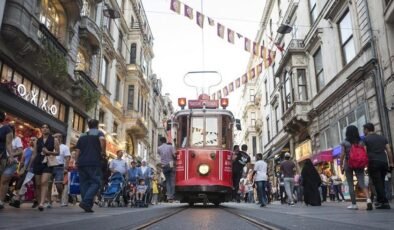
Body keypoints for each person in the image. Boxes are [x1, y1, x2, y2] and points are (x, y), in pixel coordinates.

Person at [75, 119, 106, 213]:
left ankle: (87, 205)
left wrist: (76, 161)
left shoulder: (83, 135)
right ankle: (85, 201)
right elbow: (103, 141)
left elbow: (77, 150)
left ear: (88, 126)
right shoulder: (99, 133)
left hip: (82, 162)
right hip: (94, 162)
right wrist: (103, 152)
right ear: (97, 125)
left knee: (84, 183)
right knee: (96, 182)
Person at [340, 125, 371, 210]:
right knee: (362, 182)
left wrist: (341, 166)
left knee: (350, 183)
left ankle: (354, 204)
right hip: (359, 163)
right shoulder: (361, 141)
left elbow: (342, 154)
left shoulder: (345, 142)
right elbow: (365, 152)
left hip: (348, 163)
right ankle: (368, 199)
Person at [363, 123, 394, 209]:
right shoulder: (382, 138)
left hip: (373, 162)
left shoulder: (366, 139)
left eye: (364, 130)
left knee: (377, 183)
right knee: (381, 182)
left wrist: (365, 164)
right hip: (384, 162)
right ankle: (381, 200)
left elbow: (364, 152)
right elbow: (389, 150)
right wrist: (391, 163)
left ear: (366, 129)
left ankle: (384, 202)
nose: (363, 131)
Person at [31, 124, 59, 211]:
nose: (45, 129)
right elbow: (34, 153)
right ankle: (40, 202)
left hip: (48, 162)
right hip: (38, 162)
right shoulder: (37, 141)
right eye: (43, 127)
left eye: (47, 127)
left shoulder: (54, 140)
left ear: (49, 130)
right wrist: (28, 166)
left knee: (44, 182)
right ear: (41, 130)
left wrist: (49, 152)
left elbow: (58, 152)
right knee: (38, 184)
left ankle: (42, 203)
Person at [10, 137, 37, 208]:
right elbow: (22, 161)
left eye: (34, 140)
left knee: (34, 186)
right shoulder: (26, 150)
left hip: (35, 170)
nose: (32, 141)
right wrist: (19, 170)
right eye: (31, 140)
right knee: (22, 185)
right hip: (26, 170)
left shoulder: (38, 150)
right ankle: (18, 200)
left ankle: (35, 200)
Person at [0, 111, 17, 209]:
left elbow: (9, 144)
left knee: (4, 181)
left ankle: (1, 201)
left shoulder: (6, 129)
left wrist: (11, 156)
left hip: (2, 157)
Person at [50, 133, 70, 207]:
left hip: (59, 167)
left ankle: (61, 197)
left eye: (57, 137)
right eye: (54, 137)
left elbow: (67, 158)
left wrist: (66, 168)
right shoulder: (50, 146)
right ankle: (49, 201)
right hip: (50, 166)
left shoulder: (64, 147)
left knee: (58, 184)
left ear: (61, 138)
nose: (56, 138)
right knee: (48, 184)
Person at [158, 137, 176, 202]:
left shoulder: (159, 148)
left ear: (161, 141)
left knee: (168, 181)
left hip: (164, 166)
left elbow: (160, 155)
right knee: (172, 181)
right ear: (166, 141)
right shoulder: (171, 147)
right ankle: (172, 196)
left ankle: (168, 196)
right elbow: (174, 155)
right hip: (170, 164)